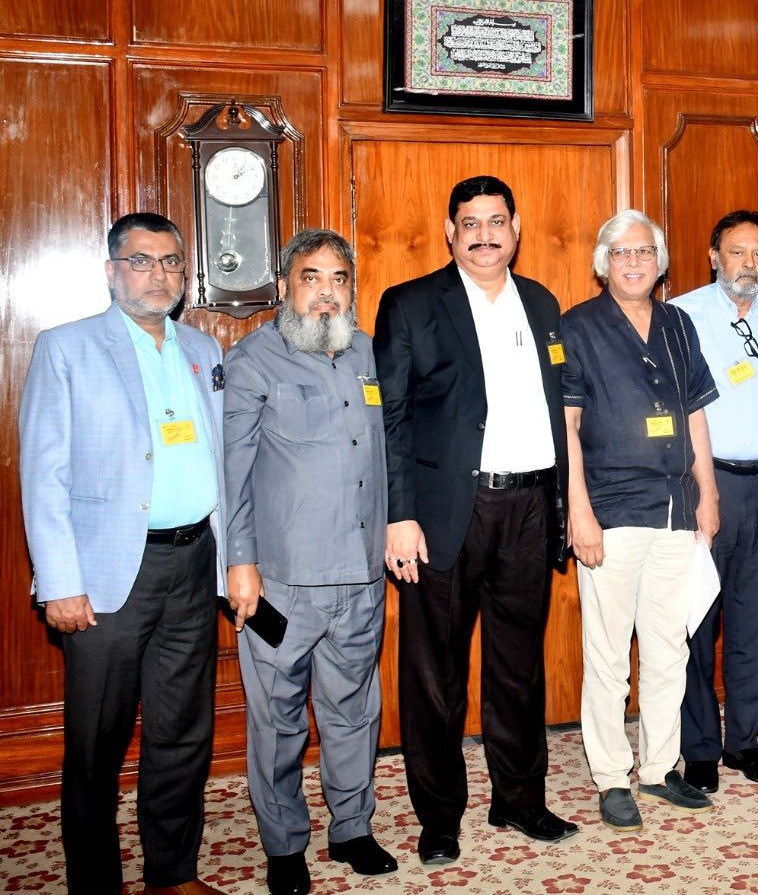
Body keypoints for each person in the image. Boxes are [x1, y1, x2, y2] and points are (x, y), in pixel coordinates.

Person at [19, 212, 226, 895]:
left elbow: (221, 465)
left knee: (183, 732)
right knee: (97, 743)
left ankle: (172, 873)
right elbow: (43, 474)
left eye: (170, 262)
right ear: (112, 271)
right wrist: (59, 581)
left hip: (192, 565)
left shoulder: (203, 349)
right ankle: (95, 882)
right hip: (108, 575)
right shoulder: (67, 348)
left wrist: (230, 562)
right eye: (141, 261)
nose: (158, 274)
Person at [374, 176, 575, 866]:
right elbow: (390, 417)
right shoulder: (410, 304)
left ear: (515, 229)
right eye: (471, 223)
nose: (484, 235)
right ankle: (439, 817)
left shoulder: (542, 303)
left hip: (530, 507)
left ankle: (519, 798)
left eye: (496, 221)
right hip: (444, 513)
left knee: (519, 666)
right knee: (436, 673)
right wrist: (399, 515)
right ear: (450, 232)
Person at [223, 230, 395, 894]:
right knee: (278, 719)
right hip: (280, 585)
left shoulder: (369, 354)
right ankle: (284, 843)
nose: (326, 292)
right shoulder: (253, 360)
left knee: (354, 710)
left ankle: (351, 828)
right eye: (311, 277)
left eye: (338, 279)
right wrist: (240, 563)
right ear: (285, 286)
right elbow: (232, 472)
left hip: (361, 575)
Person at [562, 210, 720, 833]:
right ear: (604, 263)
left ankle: (658, 768)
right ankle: (610, 776)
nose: (634, 262)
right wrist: (579, 511)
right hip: (611, 511)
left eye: (644, 252)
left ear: (660, 263)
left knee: (667, 648)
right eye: (621, 253)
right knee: (607, 656)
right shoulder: (577, 326)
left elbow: (696, 414)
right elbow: (568, 425)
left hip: (677, 508)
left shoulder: (679, 323)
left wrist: (709, 493)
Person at [672, 211, 758, 792]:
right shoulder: (682, 314)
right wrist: (696, 490)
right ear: (713, 256)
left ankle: (742, 742)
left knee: (754, 621)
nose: (748, 264)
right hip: (705, 485)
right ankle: (699, 746)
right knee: (697, 619)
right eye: (736, 252)